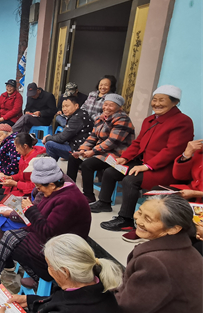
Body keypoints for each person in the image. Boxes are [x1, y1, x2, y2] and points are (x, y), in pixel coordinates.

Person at [0, 157, 91, 290]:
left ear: (51, 184)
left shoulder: (68, 199)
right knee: (9, 236)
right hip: (50, 236)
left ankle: (41, 278)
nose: (38, 191)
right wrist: (27, 213)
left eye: (39, 187)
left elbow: (47, 231)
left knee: (12, 247)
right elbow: (41, 220)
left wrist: (30, 210)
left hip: (63, 247)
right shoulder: (54, 191)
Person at [97, 86, 194, 234]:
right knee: (111, 171)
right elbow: (138, 143)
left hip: (165, 169)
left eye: (162, 100)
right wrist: (125, 157)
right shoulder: (150, 120)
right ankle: (104, 203)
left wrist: (148, 166)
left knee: (131, 180)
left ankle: (126, 220)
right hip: (144, 163)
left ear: (175, 102)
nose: (156, 104)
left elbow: (172, 150)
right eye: (155, 100)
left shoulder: (183, 122)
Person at [115, 195, 203, 313]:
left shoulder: (155, 263)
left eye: (148, 219)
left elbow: (125, 309)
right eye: (140, 212)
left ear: (174, 228)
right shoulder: (190, 252)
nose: (138, 220)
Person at [70, 94, 135, 201]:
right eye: (105, 104)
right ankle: (70, 189)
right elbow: (93, 136)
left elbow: (112, 142)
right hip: (101, 151)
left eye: (111, 105)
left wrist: (93, 151)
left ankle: (89, 196)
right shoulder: (101, 118)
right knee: (74, 158)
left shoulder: (123, 120)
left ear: (120, 108)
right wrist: (83, 149)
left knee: (88, 164)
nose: (106, 108)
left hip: (117, 154)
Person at [0, 133, 45, 230]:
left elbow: (34, 186)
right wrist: (11, 177)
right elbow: (21, 175)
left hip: (27, 195)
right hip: (18, 188)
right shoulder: (24, 155)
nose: (16, 150)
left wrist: (15, 183)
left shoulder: (35, 161)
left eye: (17, 147)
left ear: (25, 146)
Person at [43, 96, 93, 181]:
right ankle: (52, 171)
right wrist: (50, 137)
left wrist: (48, 138)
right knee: (52, 141)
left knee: (50, 144)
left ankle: (50, 172)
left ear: (76, 106)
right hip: (77, 144)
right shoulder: (79, 114)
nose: (64, 109)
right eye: (63, 106)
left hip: (80, 150)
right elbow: (65, 134)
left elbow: (62, 138)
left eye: (67, 106)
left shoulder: (77, 118)